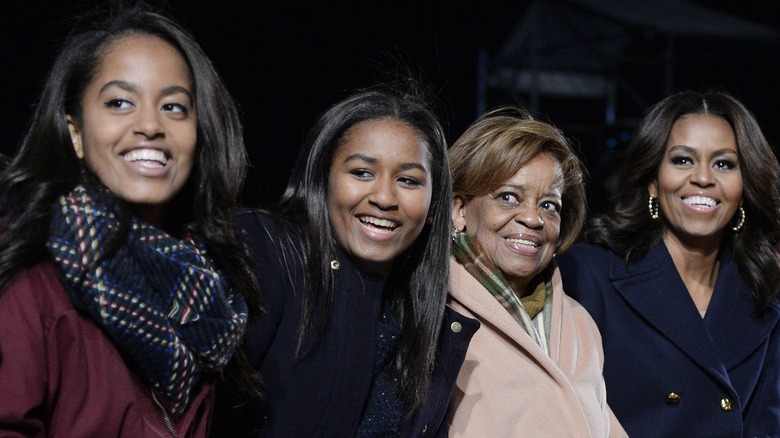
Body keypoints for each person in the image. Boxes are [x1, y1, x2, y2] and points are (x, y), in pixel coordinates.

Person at [0, 5, 262, 436]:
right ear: (76, 133)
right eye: (120, 102)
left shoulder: (207, 292)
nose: (149, 125)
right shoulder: (28, 267)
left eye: (175, 107)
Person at [212, 84, 479, 437]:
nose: (384, 197)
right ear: (323, 180)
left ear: (434, 207)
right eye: (361, 173)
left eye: (408, 180)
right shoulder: (267, 252)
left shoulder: (426, 317)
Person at [555, 90, 780, 437]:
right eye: (683, 160)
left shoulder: (763, 292)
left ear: (744, 184)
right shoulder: (589, 274)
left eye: (724, 164)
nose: (703, 178)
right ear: (652, 182)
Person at [446, 106, 626, 437]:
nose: (533, 219)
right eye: (509, 197)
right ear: (459, 210)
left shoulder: (581, 324)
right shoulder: (432, 314)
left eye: (548, 205)